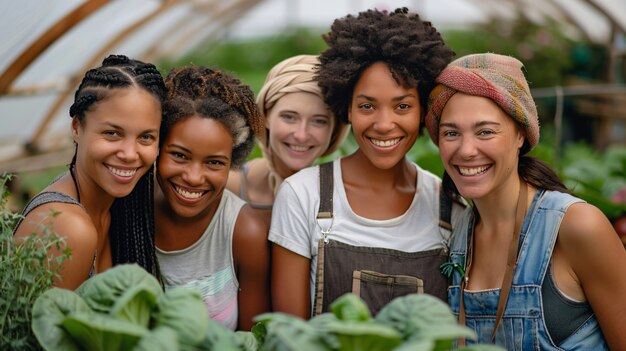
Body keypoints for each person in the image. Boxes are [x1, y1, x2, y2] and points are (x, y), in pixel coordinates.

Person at [269, 7, 464, 319]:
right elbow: (291, 333)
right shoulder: (302, 196)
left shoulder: (450, 206)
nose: (384, 124)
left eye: (402, 106)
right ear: (346, 107)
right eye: (367, 106)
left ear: (424, 110)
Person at [425, 53, 626, 349]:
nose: (466, 150)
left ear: (520, 134)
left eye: (485, 131)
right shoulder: (456, 235)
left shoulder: (577, 227)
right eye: (451, 133)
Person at [13, 54, 165, 289]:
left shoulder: (116, 202)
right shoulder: (68, 227)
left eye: (146, 137)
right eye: (112, 133)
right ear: (76, 127)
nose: (129, 153)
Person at [154, 65, 270, 331]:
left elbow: (251, 340)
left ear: (233, 161)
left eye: (214, 162)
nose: (194, 177)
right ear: (157, 147)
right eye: (180, 156)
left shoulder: (244, 232)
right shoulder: (127, 210)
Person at [226, 54, 349, 227]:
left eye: (319, 121)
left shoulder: (344, 199)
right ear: (265, 116)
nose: (301, 135)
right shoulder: (226, 188)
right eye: (289, 117)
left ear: (334, 128)